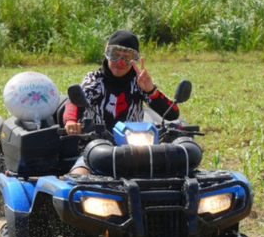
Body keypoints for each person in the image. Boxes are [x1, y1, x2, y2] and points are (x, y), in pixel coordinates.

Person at [63, 29, 179, 174]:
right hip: (96, 148)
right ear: (106, 53)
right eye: (115, 55)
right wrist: (70, 121)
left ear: (135, 59)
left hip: (136, 150)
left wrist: (150, 90)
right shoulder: (95, 80)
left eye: (127, 57)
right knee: (78, 177)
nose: (120, 62)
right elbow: (74, 102)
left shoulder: (139, 82)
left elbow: (173, 113)